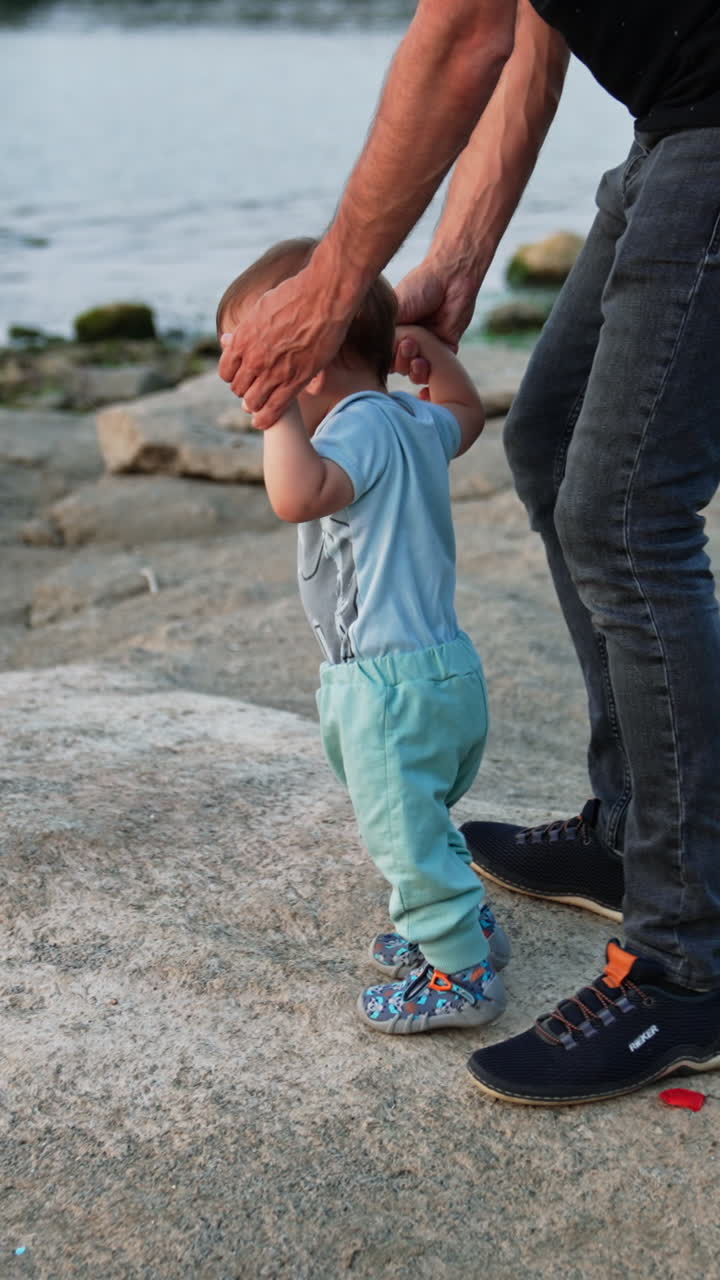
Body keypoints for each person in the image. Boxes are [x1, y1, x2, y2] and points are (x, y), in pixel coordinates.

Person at [219, 1, 720, 1102]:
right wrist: (451, 267)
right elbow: (535, 27)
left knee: (625, 511)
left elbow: (464, 35)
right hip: (671, 117)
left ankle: (679, 958)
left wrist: (333, 293)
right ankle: (637, 826)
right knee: (550, 436)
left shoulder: (339, 438)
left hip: (709, 118)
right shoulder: (398, 422)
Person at [217, 237, 511, 1033]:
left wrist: (273, 417)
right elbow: (466, 415)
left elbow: (300, 495)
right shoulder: (409, 418)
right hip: (442, 671)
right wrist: (438, 356)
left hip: (385, 687)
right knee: (425, 815)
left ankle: (460, 974)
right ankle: (463, 924)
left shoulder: (354, 430)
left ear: (303, 366)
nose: (246, 386)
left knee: (404, 838)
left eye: (251, 364)